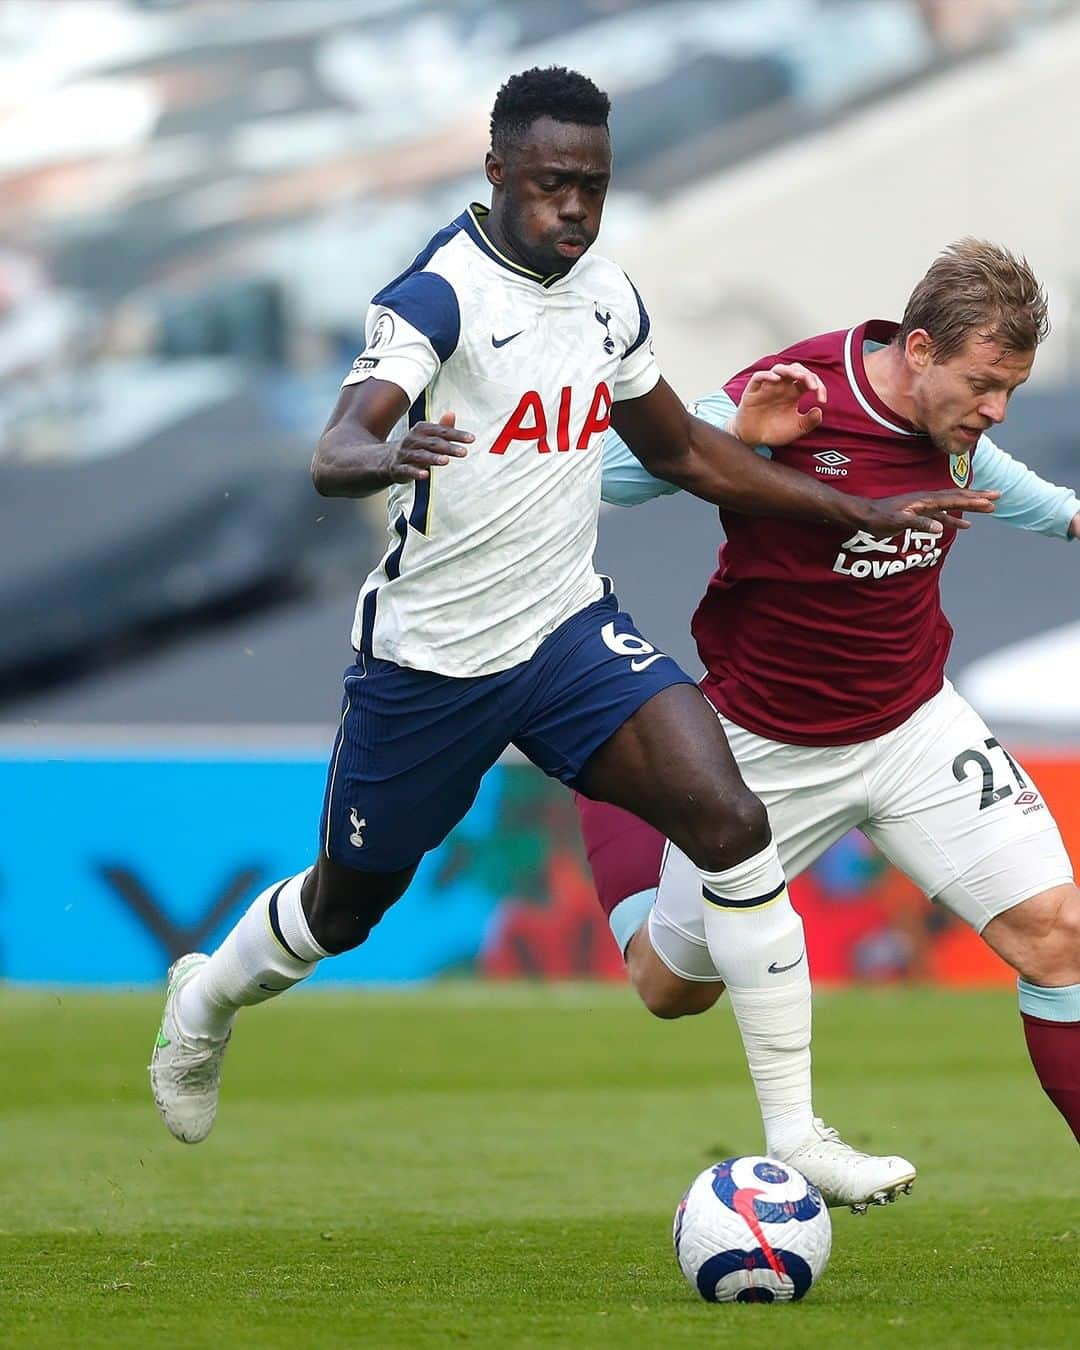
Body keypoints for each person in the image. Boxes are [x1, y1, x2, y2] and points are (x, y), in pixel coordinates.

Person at [150, 69, 990, 1203]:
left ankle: (796, 1133)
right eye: (552, 185)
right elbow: (337, 441)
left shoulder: (605, 296)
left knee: (733, 822)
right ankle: (203, 1004)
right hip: (433, 664)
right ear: (497, 172)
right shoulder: (437, 297)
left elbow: (688, 453)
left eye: (592, 186)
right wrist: (379, 456)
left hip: (567, 637)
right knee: (345, 907)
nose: (575, 210)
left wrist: (860, 509)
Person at [578, 238, 1080, 1159]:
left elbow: (990, 483)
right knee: (670, 989)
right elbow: (615, 477)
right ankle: (607, 788)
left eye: (1010, 389)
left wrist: (1071, 514)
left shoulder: (957, 427)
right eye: (983, 384)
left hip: (917, 728)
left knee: (1060, 938)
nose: (996, 409)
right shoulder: (793, 390)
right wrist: (740, 440)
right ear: (920, 349)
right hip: (767, 745)